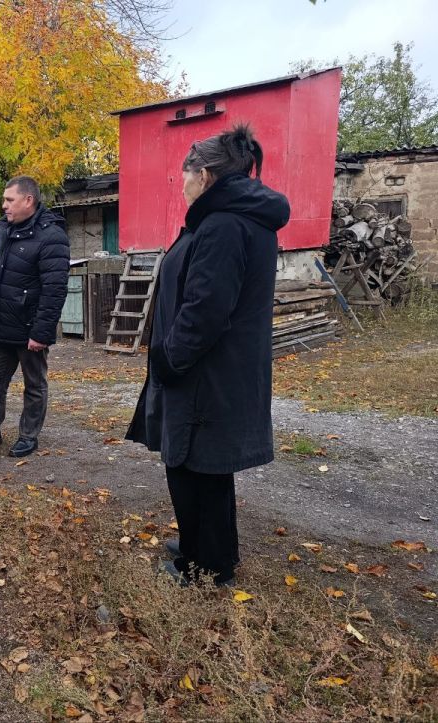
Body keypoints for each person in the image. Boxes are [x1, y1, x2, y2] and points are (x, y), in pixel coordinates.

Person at [125, 124, 290, 587]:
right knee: (206, 469)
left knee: (192, 467)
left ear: (205, 175)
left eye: (185, 175)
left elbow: (206, 310)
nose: (181, 184)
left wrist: (169, 359)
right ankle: (210, 548)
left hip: (203, 373)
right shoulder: (238, 219)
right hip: (217, 371)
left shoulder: (222, 224)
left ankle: (205, 567)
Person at [0, 175, 70, 458]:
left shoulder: (51, 236)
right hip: (1, 325)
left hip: (30, 329)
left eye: (9, 200)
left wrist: (41, 333)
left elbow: (55, 290)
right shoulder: (3, 230)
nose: (4, 205)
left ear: (28, 200)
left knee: (34, 385)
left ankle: (28, 436)